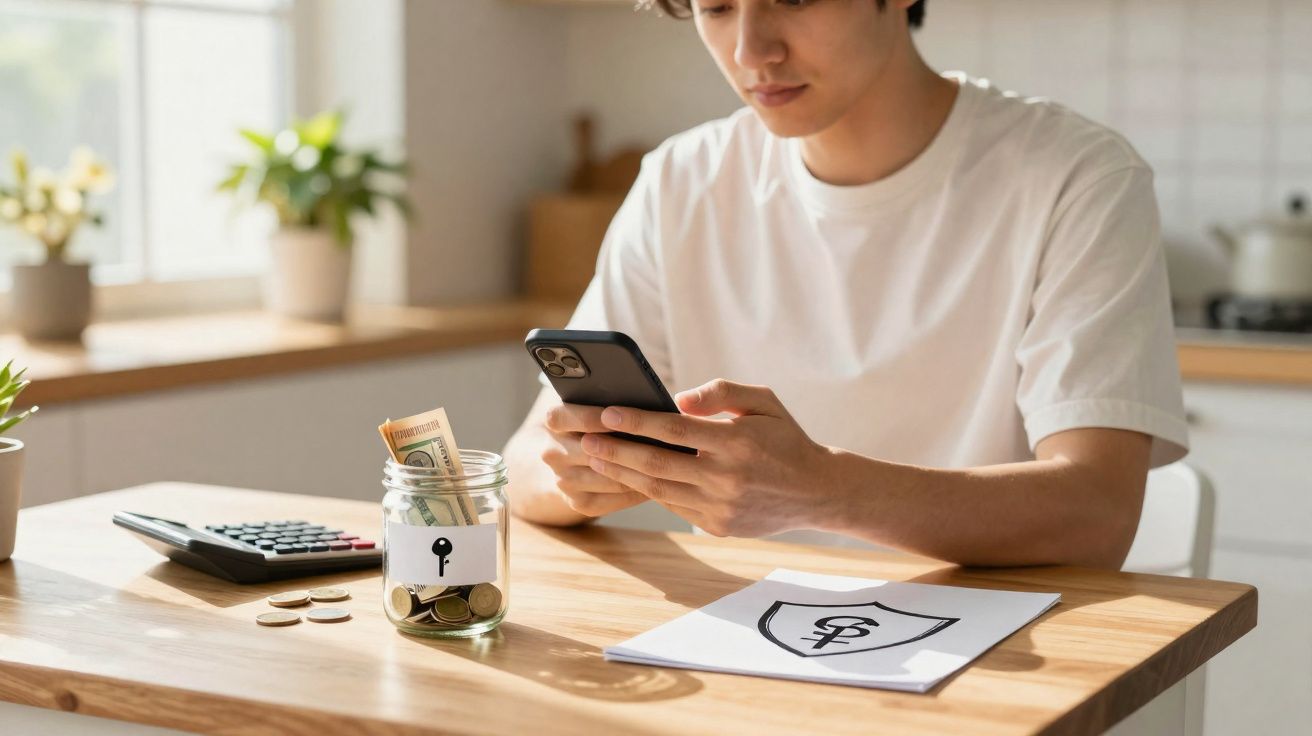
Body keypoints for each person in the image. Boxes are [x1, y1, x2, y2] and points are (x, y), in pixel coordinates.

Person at [502, 0, 1188, 569]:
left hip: (990, 650)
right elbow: (528, 460)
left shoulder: (1077, 179)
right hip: (738, 644)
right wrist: (583, 474)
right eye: (716, 6)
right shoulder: (681, 181)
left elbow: (1096, 511)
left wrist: (824, 492)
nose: (750, 50)